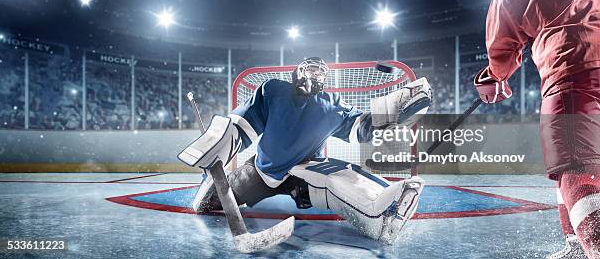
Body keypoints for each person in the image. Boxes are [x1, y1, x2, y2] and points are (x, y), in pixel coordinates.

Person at [473, 0, 600, 258]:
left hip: (573, 81)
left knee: (574, 168)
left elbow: (501, 51)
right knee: (568, 170)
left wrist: (494, 79)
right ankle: (577, 248)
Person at [179, 57, 432, 244]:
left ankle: (382, 215)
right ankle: (208, 188)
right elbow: (242, 126)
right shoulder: (273, 90)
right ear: (299, 70)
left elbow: (361, 127)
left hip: (305, 169)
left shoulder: (332, 105)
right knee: (213, 199)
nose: (317, 75)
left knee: (338, 176)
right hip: (262, 170)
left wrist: (391, 109)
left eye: (322, 72)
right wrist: (217, 152)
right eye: (312, 69)